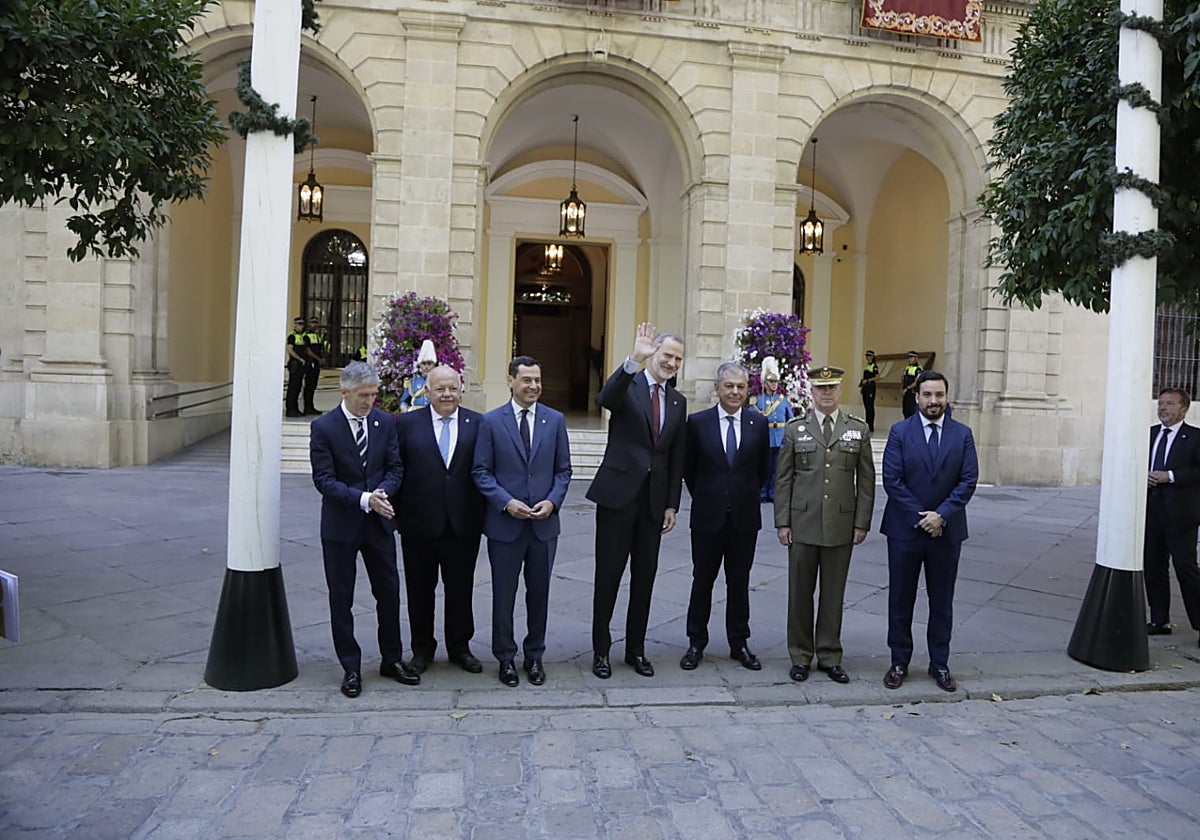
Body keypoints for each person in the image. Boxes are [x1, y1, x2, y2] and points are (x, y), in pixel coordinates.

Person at [309, 362, 421, 697]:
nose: (369, 401)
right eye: (362, 395)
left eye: (373, 394)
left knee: (388, 593)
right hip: (341, 526)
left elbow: (395, 466)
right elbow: (324, 480)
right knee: (341, 597)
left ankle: (392, 659)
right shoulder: (324, 427)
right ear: (344, 392)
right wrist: (364, 499)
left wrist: (382, 494)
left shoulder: (385, 422)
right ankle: (351, 667)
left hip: (379, 524)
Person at [587, 322, 687, 679]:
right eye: (666, 355)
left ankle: (636, 650)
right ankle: (601, 651)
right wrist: (633, 359)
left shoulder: (678, 401)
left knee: (645, 579)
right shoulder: (629, 385)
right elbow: (605, 400)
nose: (672, 362)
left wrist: (672, 504)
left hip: (653, 504)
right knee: (608, 577)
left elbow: (676, 457)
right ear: (653, 354)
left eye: (678, 358)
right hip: (617, 498)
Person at [472, 356, 572, 687]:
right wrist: (505, 502)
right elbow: (481, 472)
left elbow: (563, 470)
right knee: (504, 594)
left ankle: (534, 655)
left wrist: (553, 501)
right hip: (506, 525)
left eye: (537, 380)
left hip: (543, 527)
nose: (533, 386)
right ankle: (505, 657)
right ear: (511, 381)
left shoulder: (555, 420)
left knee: (539, 594)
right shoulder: (491, 422)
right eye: (527, 380)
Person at [775, 365, 875, 684]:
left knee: (833, 594)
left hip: (841, 524)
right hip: (802, 522)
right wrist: (782, 522)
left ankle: (830, 655)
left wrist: (862, 522)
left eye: (832, 387)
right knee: (799, 593)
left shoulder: (857, 429)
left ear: (840, 390)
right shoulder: (795, 429)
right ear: (812, 392)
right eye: (821, 388)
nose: (827, 393)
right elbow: (783, 479)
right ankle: (801, 655)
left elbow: (868, 481)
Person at [880, 370, 977, 693]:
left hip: (946, 533)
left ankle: (940, 663)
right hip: (905, 531)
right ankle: (899, 661)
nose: (933, 401)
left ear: (946, 397)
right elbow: (892, 480)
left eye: (939, 395)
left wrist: (942, 516)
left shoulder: (962, 434)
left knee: (942, 601)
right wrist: (923, 517)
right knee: (900, 599)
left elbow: (968, 480)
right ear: (917, 397)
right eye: (927, 395)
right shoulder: (899, 432)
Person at [392, 365, 486, 674]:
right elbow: (395, 469)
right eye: (440, 389)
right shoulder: (405, 424)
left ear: (461, 389)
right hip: (418, 525)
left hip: (463, 524)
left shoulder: (478, 423)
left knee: (461, 589)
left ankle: (460, 647)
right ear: (427, 391)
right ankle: (422, 650)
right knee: (420, 591)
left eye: (452, 388)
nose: (447, 394)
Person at [680, 362, 770, 672]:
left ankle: (739, 643)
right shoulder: (698, 423)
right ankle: (695, 643)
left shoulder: (758, 424)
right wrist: (711, 496)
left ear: (747, 390)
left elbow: (762, 471)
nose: (734, 392)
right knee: (702, 581)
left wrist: (739, 495)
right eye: (729, 386)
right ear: (718, 388)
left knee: (739, 583)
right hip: (707, 517)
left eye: (740, 387)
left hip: (744, 519)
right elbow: (688, 470)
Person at [1145, 387, 1200, 645]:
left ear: (1184, 409)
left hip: (1181, 515)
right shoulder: (1150, 434)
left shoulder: (1196, 437)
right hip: (1152, 512)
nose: (1163, 408)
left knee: (1186, 569)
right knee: (1154, 567)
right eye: (1161, 403)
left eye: (1169, 404)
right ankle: (1159, 620)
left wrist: (1171, 476)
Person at [750, 356, 793, 503]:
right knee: (764, 468)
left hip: (780, 438)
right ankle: (762, 492)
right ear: (765, 383)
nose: (774, 385)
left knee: (777, 469)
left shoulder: (783, 400)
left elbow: (791, 419)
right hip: (765, 438)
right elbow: (751, 420)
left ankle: (773, 493)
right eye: (771, 382)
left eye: (775, 382)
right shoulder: (758, 400)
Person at [401, 339, 438, 412]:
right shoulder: (412, 382)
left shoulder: (439, 382)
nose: (426, 367)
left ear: (434, 365)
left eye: (429, 364)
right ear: (419, 365)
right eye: (424, 364)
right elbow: (404, 401)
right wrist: (404, 409)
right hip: (416, 415)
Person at [285, 316, 308, 418]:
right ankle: (290, 410)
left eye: (302, 324)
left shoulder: (302, 336)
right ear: (295, 325)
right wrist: (299, 359)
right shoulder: (292, 336)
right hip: (295, 364)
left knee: (298, 387)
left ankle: (295, 409)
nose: (301, 327)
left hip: (300, 365)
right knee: (293, 388)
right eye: (299, 324)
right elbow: (290, 350)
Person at [303, 316, 325, 415]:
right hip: (310, 362)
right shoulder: (306, 335)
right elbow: (308, 350)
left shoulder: (316, 336)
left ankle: (310, 406)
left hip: (316, 363)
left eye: (316, 322)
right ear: (308, 324)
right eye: (312, 322)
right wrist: (318, 358)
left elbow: (320, 348)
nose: (314, 324)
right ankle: (307, 407)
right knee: (309, 385)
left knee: (313, 385)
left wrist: (322, 358)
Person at [859, 350, 880, 432]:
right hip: (866, 388)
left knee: (870, 407)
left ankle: (871, 425)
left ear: (872, 357)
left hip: (870, 388)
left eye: (868, 356)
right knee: (866, 407)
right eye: (866, 356)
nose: (867, 357)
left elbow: (877, 376)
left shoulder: (874, 366)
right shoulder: (867, 366)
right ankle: (867, 424)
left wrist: (868, 380)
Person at [900, 350, 923, 419]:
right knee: (905, 411)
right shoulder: (907, 368)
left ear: (916, 358)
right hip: (906, 393)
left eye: (911, 357)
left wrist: (907, 388)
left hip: (912, 393)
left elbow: (917, 381)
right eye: (909, 357)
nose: (909, 359)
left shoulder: (918, 369)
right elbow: (903, 379)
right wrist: (902, 388)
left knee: (912, 411)